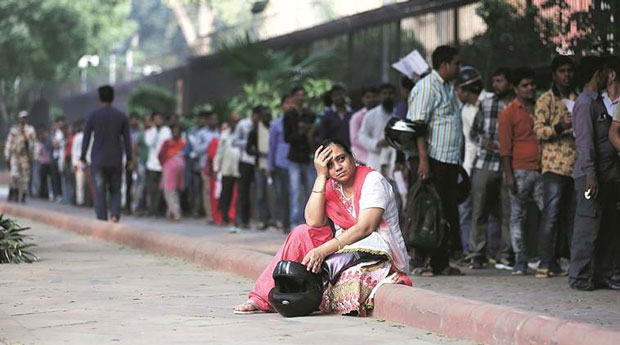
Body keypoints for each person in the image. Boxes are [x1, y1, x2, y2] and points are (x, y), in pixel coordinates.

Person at [233, 139, 411, 316]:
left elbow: (366, 227)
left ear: (352, 156)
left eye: (341, 159)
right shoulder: (331, 184)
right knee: (301, 233)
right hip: (345, 246)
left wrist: (322, 250)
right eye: (330, 165)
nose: (338, 167)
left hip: (379, 248)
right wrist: (320, 177)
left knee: (349, 278)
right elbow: (313, 221)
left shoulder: (372, 181)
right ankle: (261, 298)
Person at [407, 45, 462, 276]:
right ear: (445, 64)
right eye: (457, 63)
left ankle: (441, 262)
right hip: (432, 159)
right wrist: (423, 161)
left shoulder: (448, 87)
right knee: (427, 211)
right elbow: (417, 126)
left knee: (445, 212)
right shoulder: (427, 87)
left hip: (448, 159)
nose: (459, 67)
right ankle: (422, 261)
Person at [570, 56, 620, 291]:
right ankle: (580, 277)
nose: (607, 77)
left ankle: (602, 275)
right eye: (604, 73)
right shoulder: (584, 103)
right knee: (587, 227)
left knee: (607, 227)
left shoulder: (597, 102)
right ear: (596, 74)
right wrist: (591, 174)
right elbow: (585, 143)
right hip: (590, 177)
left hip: (607, 176)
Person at [533, 55, 577, 278]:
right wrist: (560, 125)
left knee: (571, 216)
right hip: (553, 166)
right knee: (550, 215)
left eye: (569, 70)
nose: (566, 74)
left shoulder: (576, 98)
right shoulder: (546, 100)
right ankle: (544, 263)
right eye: (562, 71)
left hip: (574, 166)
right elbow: (539, 131)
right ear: (554, 74)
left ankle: (571, 263)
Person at [468, 67, 514, 270]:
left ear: (509, 83)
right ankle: (478, 253)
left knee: (508, 211)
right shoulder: (486, 104)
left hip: (509, 166)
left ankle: (506, 254)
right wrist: (483, 142)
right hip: (485, 162)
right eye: (494, 81)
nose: (496, 85)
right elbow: (473, 133)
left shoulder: (517, 105)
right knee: (479, 210)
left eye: (500, 80)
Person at [499, 67, 542, 275]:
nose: (530, 88)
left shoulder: (541, 108)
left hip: (542, 169)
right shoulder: (508, 113)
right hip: (519, 170)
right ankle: (520, 260)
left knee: (546, 214)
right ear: (516, 89)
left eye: (532, 84)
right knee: (517, 216)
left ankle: (544, 257)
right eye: (524, 85)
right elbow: (505, 148)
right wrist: (509, 176)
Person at [80, 85, 132, 222]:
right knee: (116, 189)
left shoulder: (93, 115)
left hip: (98, 159)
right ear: (113, 97)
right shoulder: (121, 116)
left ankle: (102, 219)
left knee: (99, 190)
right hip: (115, 159)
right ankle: (115, 214)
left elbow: (86, 137)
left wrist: (83, 156)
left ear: (99, 98)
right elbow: (127, 139)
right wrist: (130, 159)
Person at [267, 95, 295, 232]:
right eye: (287, 102)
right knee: (282, 193)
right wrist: (269, 166)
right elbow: (271, 146)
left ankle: (293, 221)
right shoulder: (276, 124)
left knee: (294, 193)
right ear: (283, 105)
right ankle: (283, 222)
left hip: (295, 161)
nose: (290, 105)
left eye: (292, 103)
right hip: (281, 162)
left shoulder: (299, 121)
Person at [232, 106, 261, 229]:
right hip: (245, 160)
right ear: (254, 115)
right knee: (243, 191)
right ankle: (241, 219)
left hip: (258, 161)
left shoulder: (263, 127)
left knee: (257, 192)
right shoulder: (243, 124)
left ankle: (255, 219)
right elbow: (234, 141)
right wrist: (249, 143)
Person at [247, 106, 274, 230]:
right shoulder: (255, 130)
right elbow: (248, 149)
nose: (268, 118)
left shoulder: (274, 128)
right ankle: (263, 219)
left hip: (274, 166)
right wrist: (260, 153)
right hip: (260, 166)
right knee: (260, 194)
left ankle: (274, 219)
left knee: (276, 193)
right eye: (265, 116)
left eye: (269, 115)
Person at [4, 110, 36, 203]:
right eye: (22, 118)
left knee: (25, 177)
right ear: (19, 119)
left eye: (25, 118)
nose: (23, 120)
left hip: (25, 156)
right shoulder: (14, 130)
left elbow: (33, 144)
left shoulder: (30, 130)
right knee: (14, 175)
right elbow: (9, 143)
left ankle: (23, 195)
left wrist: (32, 155)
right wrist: (7, 154)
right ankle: (15, 191)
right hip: (15, 155)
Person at [144, 112, 172, 217]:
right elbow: (149, 143)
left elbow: (167, 144)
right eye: (155, 119)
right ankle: (152, 210)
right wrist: (155, 130)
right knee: (152, 189)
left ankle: (161, 210)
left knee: (163, 189)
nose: (158, 121)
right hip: (152, 164)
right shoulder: (150, 131)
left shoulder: (167, 131)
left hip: (163, 164)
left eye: (159, 118)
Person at [213, 121, 240, 227]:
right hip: (226, 168)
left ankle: (237, 217)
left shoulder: (241, 134)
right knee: (226, 194)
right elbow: (219, 153)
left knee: (238, 195)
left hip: (238, 169)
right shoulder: (224, 136)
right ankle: (224, 216)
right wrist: (216, 167)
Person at [158, 124, 186, 222]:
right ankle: (170, 214)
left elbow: (161, 154)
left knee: (169, 191)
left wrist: (163, 164)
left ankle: (176, 213)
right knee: (174, 191)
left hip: (170, 168)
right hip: (181, 168)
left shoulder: (168, 143)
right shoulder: (183, 143)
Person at [349, 86, 379, 165]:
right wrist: (374, 144)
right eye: (368, 97)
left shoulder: (383, 114)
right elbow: (354, 140)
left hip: (379, 156)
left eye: (374, 97)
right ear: (363, 99)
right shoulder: (357, 117)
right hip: (361, 159)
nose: (371, 99)